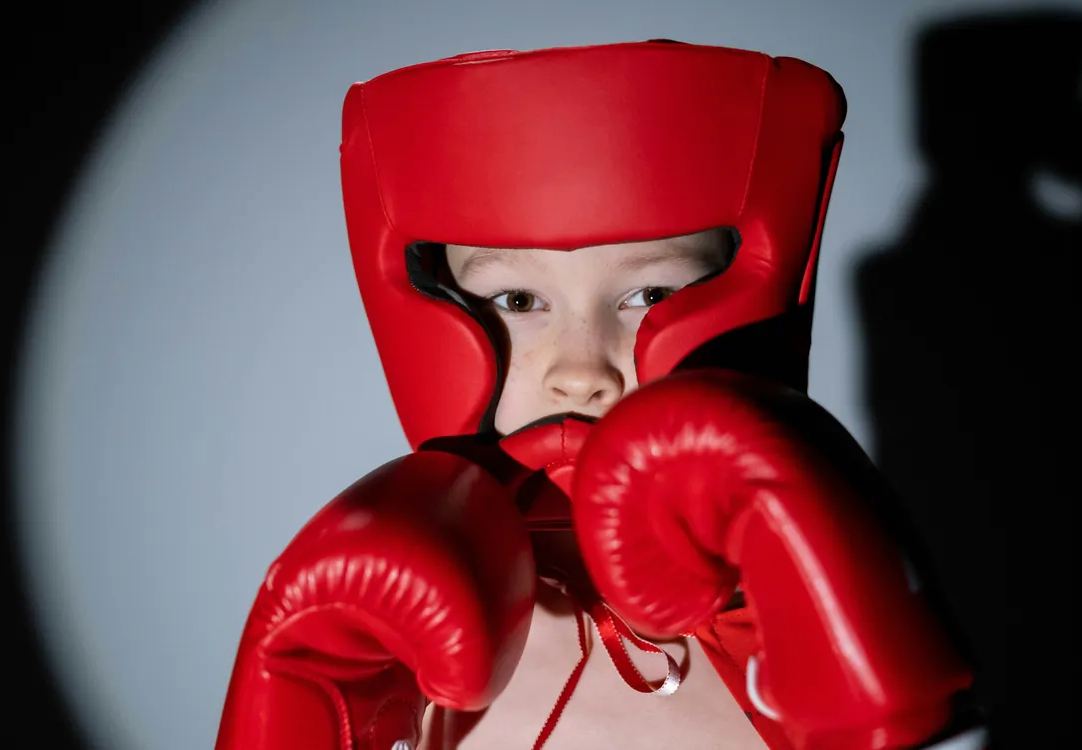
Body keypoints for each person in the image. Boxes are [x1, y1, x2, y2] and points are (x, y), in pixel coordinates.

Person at [215, 40, 989, 750]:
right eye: (518, 301)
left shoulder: (790, 579)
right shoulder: (384, 629)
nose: (580, 371)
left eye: (650, 292)